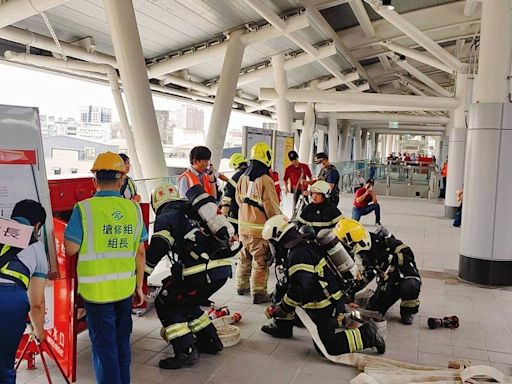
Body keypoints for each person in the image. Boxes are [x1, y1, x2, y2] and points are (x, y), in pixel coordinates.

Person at [64, 151, 147, 384]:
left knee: (104, 348)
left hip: (97, 293)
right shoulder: (134, 209)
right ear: (121, 180)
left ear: (94, 180)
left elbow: (70, 248)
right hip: (124, 289)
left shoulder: (84, 208)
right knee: (122, 344)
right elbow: (140, 252)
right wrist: (139, 286)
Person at [260, 215, 385, 356]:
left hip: (326, 305)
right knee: (284, 289)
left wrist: (284, 308)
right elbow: (292, 283)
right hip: (323, 298)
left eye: (271, 242)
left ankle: (368, 335)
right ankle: (283, 328)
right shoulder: (304, 242)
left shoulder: (298, 253)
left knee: (327, 346)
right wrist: (281, 307)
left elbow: (301, 286)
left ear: (278, 237)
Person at [145, 182, 238, 369]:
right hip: (222, 268)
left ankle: (185, 352)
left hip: (200, 272)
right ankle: (210, 342)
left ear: (155, 203)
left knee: (166, 302)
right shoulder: (193, 210)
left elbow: (158, 248)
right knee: (187, 302)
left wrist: (141, 275)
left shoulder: (166, 216)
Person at [334, 218, 421, 325]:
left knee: (410, 285)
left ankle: (408, 311)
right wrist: (349, 298)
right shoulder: (366, 250)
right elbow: (365, 276)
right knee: (373, 312)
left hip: (400, 278)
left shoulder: (399, 250)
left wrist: (386, 289)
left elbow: (407, 274)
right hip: (386, 280)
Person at [0, 200, 48, 384]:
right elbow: (36, 302)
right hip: (9, 301)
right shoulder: (36, 247)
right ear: (37, 226)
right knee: (4, 367)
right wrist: (39, 331)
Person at [236, 142, 281, 304]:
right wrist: (280, 224)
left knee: (244, 259)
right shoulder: (265, 180)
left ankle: (241, 287)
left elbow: (238, 200)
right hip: (259, 231)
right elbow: (272, 207)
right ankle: (259, 293)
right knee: (260, 263)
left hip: (243, 228)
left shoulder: (242, 177)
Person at [220, 153, 248, 234]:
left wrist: (224, 213)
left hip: (236, 210)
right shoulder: (253, 174)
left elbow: (227, 195)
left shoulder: (236, 177)